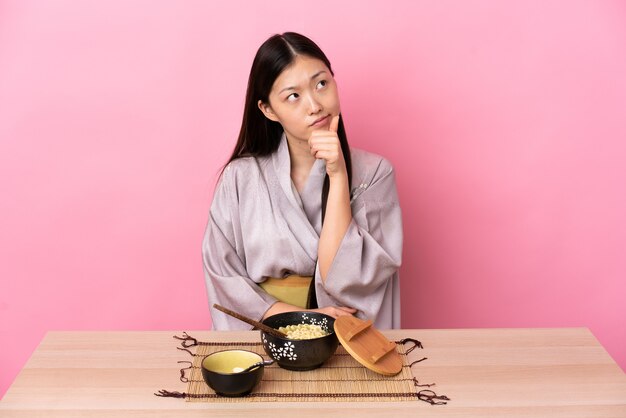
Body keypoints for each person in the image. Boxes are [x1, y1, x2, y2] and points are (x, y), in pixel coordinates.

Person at [202, 32, 402, 330]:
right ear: (268, 109)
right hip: (266, 335)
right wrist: (302, 318)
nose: (314, 105)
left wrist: (338, 175)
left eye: (321, 83)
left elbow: (349, 279)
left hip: (344, 336)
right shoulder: (240, 178)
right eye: (293, 96)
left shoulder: (375, 173)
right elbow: (224, 277)